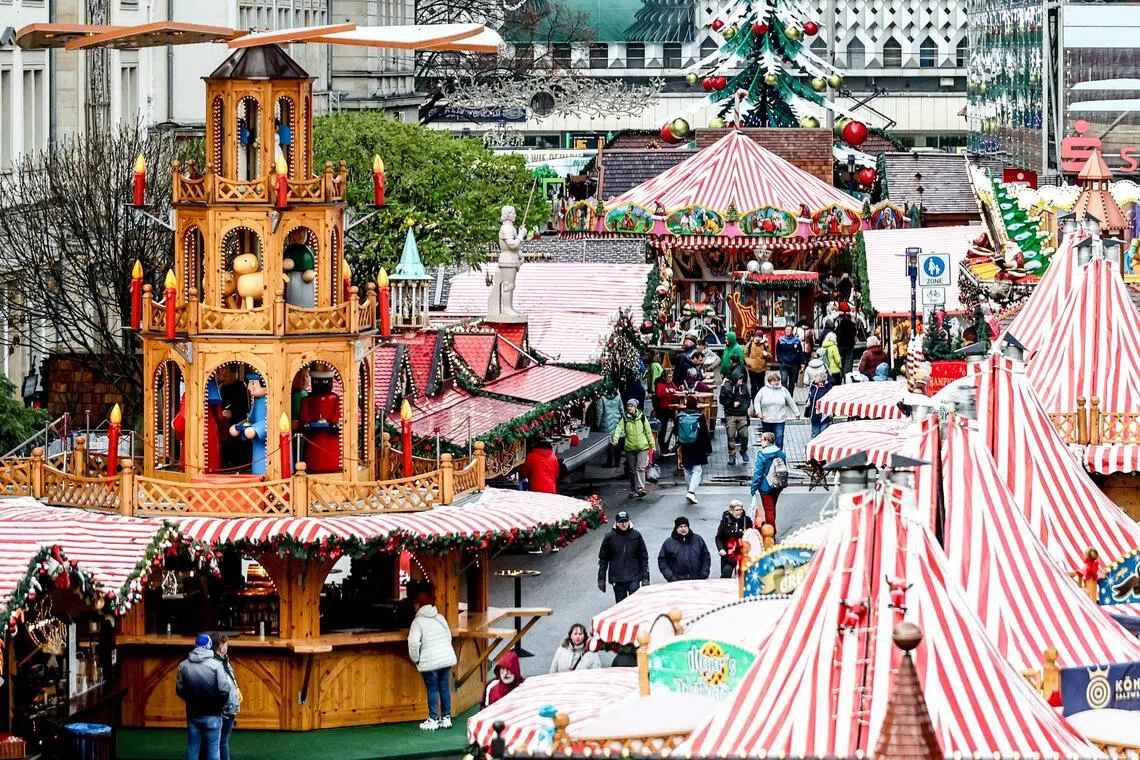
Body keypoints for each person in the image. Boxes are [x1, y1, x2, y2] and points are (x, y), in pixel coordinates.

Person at [176, 633, 234, 760]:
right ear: (209, 646)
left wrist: (191, 699)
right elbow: (225, 689)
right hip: (213, 714)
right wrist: (219, 705)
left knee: (192, 747)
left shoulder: (183, 665)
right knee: (213, 749)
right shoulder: (216, 665)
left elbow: (180, 690)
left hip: (193, 714)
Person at [408, 590, 458, 730]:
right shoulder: (440, 617)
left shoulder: (417, 622)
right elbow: (448, 636)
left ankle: (433, 719)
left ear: (418, 605)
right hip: (445, 658)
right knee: (444, 687)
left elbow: (413, 643)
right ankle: (446, 717)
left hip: (430, 661)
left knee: (432, 688)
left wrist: (416, 659)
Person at [597, 510, 650, 602]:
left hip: (634, 576)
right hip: (617, 579)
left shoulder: (636, 536)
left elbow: (643, 557)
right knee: (621, 604)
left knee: (635, 603)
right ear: (616, 523)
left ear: (629, 521)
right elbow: (603, 559)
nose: (623, 524)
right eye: (621, 522)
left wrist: (646, 577)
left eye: (625, 521)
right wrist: (601, 579)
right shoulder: (609, 538)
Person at [611, 399, 654, 498]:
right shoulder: (625, 419)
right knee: (632, 470)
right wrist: (615, 438)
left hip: (642, 447)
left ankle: (640, 489)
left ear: (635, 407)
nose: (629, 408)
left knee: (640, 468)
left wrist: (652, 445)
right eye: (628, 406)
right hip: (630, 447)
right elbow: (619, 429)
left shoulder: (642, 418)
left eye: (631, 406)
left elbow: (648, 431)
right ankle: (633, 489)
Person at [676, 395, 712, 504]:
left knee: (687, 470)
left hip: (685, 446)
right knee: (697, 470)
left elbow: (675, 432)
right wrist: (708, 448)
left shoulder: (679, 416)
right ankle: (691, 492)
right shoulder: (699, 416)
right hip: (698, 445)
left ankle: (690, 492)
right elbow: (705, 433)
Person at [751, 432, 788, 531]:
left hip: (765, 486)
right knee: (772, 508)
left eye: (762, 440)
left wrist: (753, 488)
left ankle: (771, 532)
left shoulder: (762, 454)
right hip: (778, 484)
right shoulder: (781, 452)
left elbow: (758, 473)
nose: (761, 442)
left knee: (768, 510)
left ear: (767, 440)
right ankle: (772, 529)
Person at [751, 371, 798, 450]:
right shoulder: (763, 390)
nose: (776, 382)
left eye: (777, 381)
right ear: (769, 382)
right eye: (774, 381)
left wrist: (796, 412)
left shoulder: (783, 390)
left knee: (779, 437)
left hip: (779, 419)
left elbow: (790, 401)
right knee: (767, 438)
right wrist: (758, 412)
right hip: (766, 419)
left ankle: (778, 452)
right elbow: (757, 401)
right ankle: (768, 452)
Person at [658, 516, 712, 582]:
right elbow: (662, 561)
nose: (683, 529)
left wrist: (704, 573)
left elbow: (706, 557)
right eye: (681, 526)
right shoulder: (668, 543)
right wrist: (671, 577)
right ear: (676, 528)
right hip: (677, 582)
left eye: (685, 526)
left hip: (698, 581)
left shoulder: (698, 539)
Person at [215, 636, 241, 760]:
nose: (227, 647)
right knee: (221, 741)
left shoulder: (225, 661)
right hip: (224, 708)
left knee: (223, 740)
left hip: (230, 706)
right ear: (221, 647)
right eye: (226, 645)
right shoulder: (216, 664)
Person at [719, 370, 751, 467]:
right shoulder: (726, 388)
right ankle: (732, 456)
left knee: (745, 435)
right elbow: (722, 400)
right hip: (730, 415)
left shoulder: (744, 387)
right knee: (731, 436)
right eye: (739, 379)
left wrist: (744, 406)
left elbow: (747, 398)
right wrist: (731, 404)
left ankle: (743, 450)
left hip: (742, 415)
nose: (741, 381)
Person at [714, 500, 753, 578]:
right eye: (737, 510)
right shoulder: (725, 521)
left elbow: (751, 535)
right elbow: (719, 537)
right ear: (731, 511)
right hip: (728, 554)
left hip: (743, 553)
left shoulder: (747, 521)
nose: (739, 512)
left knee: (744, 576)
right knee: (726, 573)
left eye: (740, 509)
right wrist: (721, 549)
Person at [651, 369, 679, 454]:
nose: (671, 379)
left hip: (670, 409)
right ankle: (663, 447)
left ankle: (667, 446)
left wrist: (678, 389)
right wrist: (667, 391)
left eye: (672, 377)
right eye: (669, 377)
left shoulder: (671, 383)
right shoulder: (660, 384)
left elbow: (675, 389)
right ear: (665, 377)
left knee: (669, 429)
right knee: (663, 430)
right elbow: (659, 394)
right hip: (662, 410)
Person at [804, 358, 833, 438]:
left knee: (822, 434)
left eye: (816, 377)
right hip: (815, 414)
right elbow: (809, 399)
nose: (814, 379)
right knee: (815, 433)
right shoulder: (814, 387)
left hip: (824, 414)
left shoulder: (828, 388)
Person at [597, 388, 623, 467]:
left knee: (609, 444)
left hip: (606, 424)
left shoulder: (602, 400)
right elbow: (622, 410)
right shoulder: (618, 398)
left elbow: (599, 414)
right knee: (617, 443)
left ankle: (610, 462)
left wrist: (598, 424)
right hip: (617, 423)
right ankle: (617, 462)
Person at [744, 332, 773, 398]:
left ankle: (761, 402)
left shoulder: (765, 345)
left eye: (760, 337)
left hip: (761, 370)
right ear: (754, 337)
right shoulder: (750, 344)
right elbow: (745, 355)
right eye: (756, 336)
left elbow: (771, 357)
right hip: (752, 370)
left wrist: (767, 355)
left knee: (761, 387)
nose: (758, 338)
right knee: (753, 387)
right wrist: (749, 363)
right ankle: (754, 403)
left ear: (762, 338)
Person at [775, 325, 803, 393]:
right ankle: (785, 395)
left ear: (792, 331)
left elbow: (800, 352)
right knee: (783, 379)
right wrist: (780, 360)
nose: (787, 331)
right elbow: (778, 351)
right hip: (784, 364)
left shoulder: (796, 340)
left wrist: (801, 362)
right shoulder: (781, 340)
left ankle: (790, 397)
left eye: (789, 329)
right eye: (786, 329)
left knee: (792, 382)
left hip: (794, 364)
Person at [836, 313, 858, 380]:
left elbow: (837, 333)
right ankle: (847, 375)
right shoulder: (852, 324)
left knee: (841, 359)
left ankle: (841, 374)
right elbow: (854, 333)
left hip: (841, 344)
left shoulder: (840, 325)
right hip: (849, 344)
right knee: (849, 360)